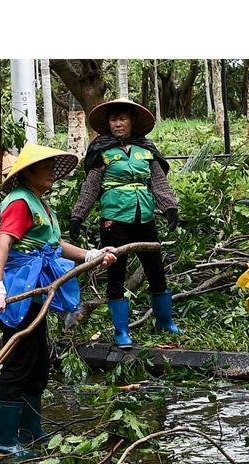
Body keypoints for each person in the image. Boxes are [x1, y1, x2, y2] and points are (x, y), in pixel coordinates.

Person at [0, 143, 116, 459]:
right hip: (21, 289)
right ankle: (4, 442)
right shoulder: (19, 203)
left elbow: (54, 244)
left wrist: (90, 255)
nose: (51, 173)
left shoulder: (39, 204)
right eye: (45, 167)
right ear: (28, 172)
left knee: (39, 362)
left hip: (39, 288)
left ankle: (31, 430)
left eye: (52, 167)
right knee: (19, 361)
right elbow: (3, 244)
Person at [69, 98, 180, 347]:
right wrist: (78, 216)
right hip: (114, 220)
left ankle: (165, 321)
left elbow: (158, 182)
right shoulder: (102, 151)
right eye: (113, 119)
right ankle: (121, 332)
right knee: (116, 274)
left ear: (132, 122)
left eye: (122, 119)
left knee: (156, 270)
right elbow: (90, 187)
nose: (118, 124)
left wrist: (170, 207)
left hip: (145, 217)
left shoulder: (145, 150)